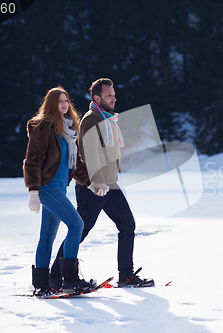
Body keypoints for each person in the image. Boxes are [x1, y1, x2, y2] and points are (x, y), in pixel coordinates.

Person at [49, 78, 154, 289]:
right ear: (97, 98)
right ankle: (55, 276)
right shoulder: (91, 120)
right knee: (80, 229)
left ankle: (126, 275)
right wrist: (97, 182)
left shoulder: (109, 119)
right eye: (109, 95)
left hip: (111, 185)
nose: (114, 98)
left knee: (127, 225)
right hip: (93, 186)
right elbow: (90, 154)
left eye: (114, 94)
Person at [23, 86, 93, 296]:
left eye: (66, 100)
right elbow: (32, 160)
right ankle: (70, 280)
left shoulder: (68, 130)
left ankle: (42, 285)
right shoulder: (43, 126)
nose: (64, 104)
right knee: (76, 224)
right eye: (59, 101)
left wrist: (91, 183)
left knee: (47, 237)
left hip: (60, 188)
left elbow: (76, 164)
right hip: (47, 187)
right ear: (51, 104)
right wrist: (33, 191)